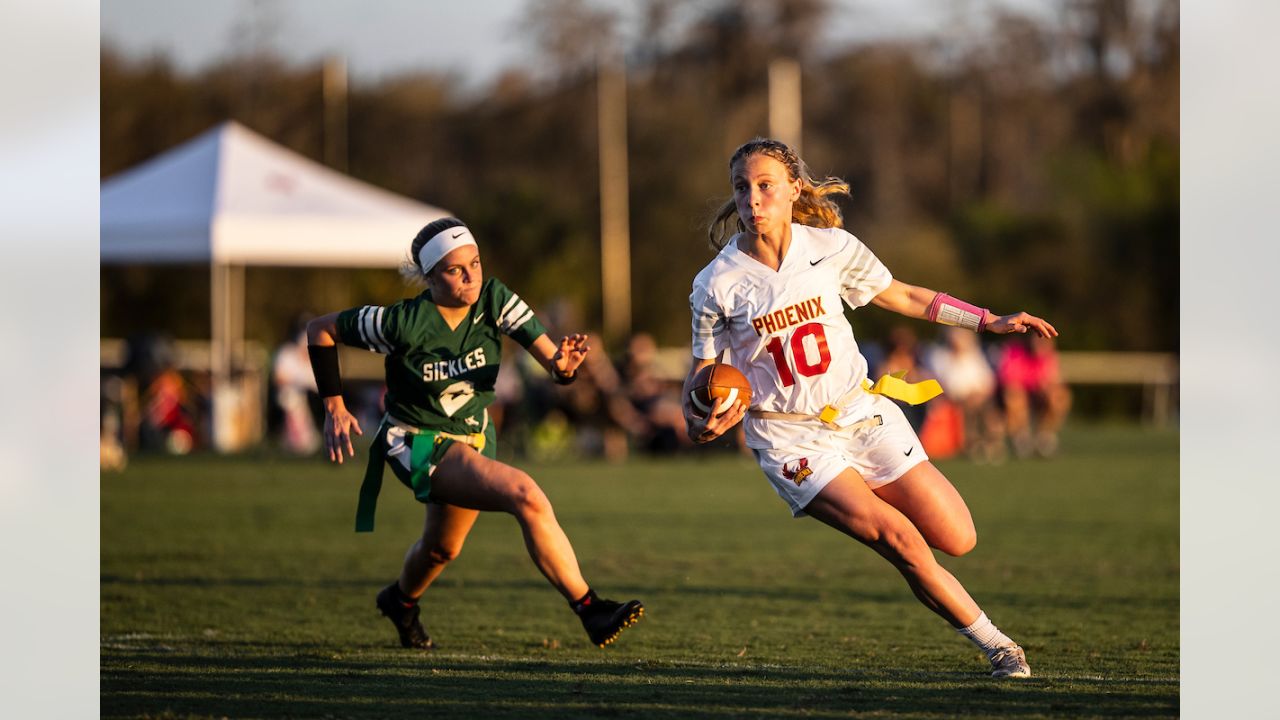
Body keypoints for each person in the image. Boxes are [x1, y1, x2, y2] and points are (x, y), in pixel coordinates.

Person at [685, 138, 1058, 679]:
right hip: (792, 440)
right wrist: (700, 417)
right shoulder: (715, 283)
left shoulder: (831, 246)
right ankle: (1000, 647)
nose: (753, 198)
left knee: (957, 536)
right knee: (900, 539)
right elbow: (701, 375)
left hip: (860, 410)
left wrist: (987, 321)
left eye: (766, 185)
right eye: (742, 188)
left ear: (793, 189)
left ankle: (916, 559)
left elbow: (904, 296)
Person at [306, 217, 643, 650]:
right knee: (525, 494)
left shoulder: (494, 299)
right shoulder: (401, 322)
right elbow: (321, 329)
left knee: (442, 549)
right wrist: (333, 405)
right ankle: (590, 608)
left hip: (472, 436)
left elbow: (555, 365)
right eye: (455, 269)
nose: (471, 276)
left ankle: (401, 601)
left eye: (476, 262)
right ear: (428, 278)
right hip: (417, 441)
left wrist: (565, 365)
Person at [996, 333, 1072, 458]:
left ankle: (1045, 436)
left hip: (1036, 395)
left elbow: (1052, 380)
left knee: (1059, 396)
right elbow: (1010, 381)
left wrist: (1046, 388)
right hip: (1014, 396)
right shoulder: (1015, 351)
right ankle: (1021, 436)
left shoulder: (1048, 356)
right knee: (1014, 395)